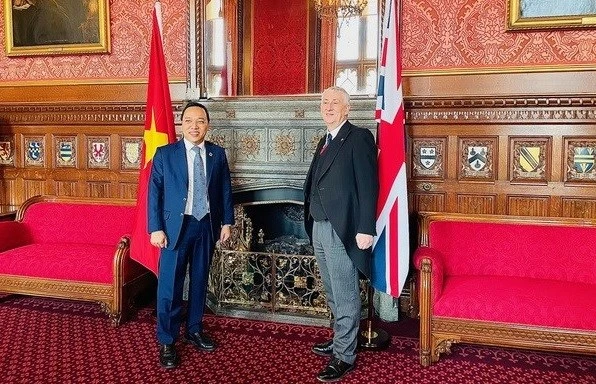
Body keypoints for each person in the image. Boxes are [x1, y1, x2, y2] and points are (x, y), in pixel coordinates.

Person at [148, 101, 234, 369]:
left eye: (200, 121)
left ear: (207, 125)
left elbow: (224, 191)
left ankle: (194, 329)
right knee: (170, 286)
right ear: (181, 124)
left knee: (199, 281)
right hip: (175, 228)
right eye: (189, 121)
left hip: (206, 225)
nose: (194, 126)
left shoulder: (217, 155)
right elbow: (154, 194)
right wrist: (155, 228)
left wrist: (227, 222)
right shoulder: (165, 154)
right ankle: (167, 339)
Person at [303, 86, 378, 382]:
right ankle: (340, 340)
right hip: (320, 226)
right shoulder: (325, 139)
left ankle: (344, 356)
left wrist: (365, 228)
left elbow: (369, 185)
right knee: (333, 292)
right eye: (325, 102)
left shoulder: (358, 137)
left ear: (347, 109)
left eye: (336, 102)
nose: (329, 106)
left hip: (344, 227)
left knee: (345, 294)